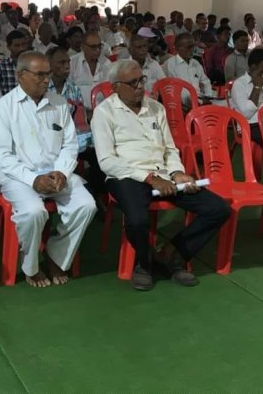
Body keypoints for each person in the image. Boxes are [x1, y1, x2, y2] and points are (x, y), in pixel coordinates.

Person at [91, 59, 230, 291]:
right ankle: (143, 263)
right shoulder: (104, 113)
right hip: (127, 176)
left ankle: (171, 253)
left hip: (163, 174)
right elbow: (107, 162)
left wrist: (177, 173)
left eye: (141, 80)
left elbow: (170, 148)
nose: (139, 87)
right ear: (115, 87)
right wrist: (148, 178)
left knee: (217, 209)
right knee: (137, 219)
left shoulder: (156, 108)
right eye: (132, 83)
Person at [0, 51, 97, 287]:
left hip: (56, 174)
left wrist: (62, 171)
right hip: (18, 177)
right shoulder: (5, 107)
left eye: (47, 74)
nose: (46, 80)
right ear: (20, 75)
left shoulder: (59, 102)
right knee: (34, 212)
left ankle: (56, 255)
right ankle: (30, 265)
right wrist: (33, 179)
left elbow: (70, 144)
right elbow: (2, 156)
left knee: (87, 205)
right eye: (39, 75)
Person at [164, 33, 215, 104]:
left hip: (199, 100)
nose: (192, 50)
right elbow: (171, 91)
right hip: (182, 104)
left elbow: (205, 82)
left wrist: (208, 97)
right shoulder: (170, 64)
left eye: (193, 46)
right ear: (177, 48)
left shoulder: (195, 63)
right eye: (189, 47)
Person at [68, 31, 112, 109]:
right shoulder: (72, 63)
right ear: (83, 47)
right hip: (79, 112)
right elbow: (68, 92)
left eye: (99, 46)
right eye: (93, 47)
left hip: (103, 112)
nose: (98, 50)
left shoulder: (107, 64)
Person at [0, 30, 29, 95]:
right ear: (8, 47)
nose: (21, 48)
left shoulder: (34, 65)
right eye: (17, 45)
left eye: (23, 44)